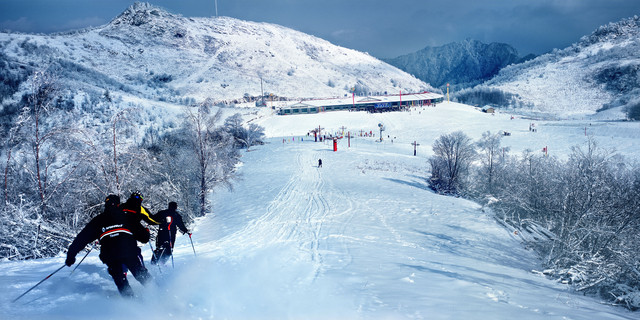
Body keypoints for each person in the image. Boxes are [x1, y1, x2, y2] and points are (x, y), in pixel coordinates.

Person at [65, 195, 152, 297]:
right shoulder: (127, 217)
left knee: (120, 279)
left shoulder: (98, 220)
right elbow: (144, 238)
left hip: (110, 254)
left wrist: (71, 255)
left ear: (105, 205)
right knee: (140, 273)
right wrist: (146, 232)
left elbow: (81, 239)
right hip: (129, 250)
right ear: (119, 204)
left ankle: (131, 303)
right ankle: (158, 294)